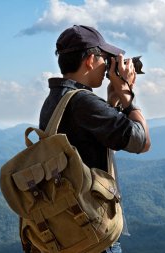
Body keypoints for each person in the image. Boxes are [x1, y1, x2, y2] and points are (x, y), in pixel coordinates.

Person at [38, 25, 151, 253]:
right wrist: (127, 95)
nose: (107, 67)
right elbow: (142, 141)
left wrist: (111, 104)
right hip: (93, 234)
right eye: (104, 59)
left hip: (70, 229)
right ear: (90, 59)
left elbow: (94, 145)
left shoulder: (56, 100)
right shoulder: (84, 103)